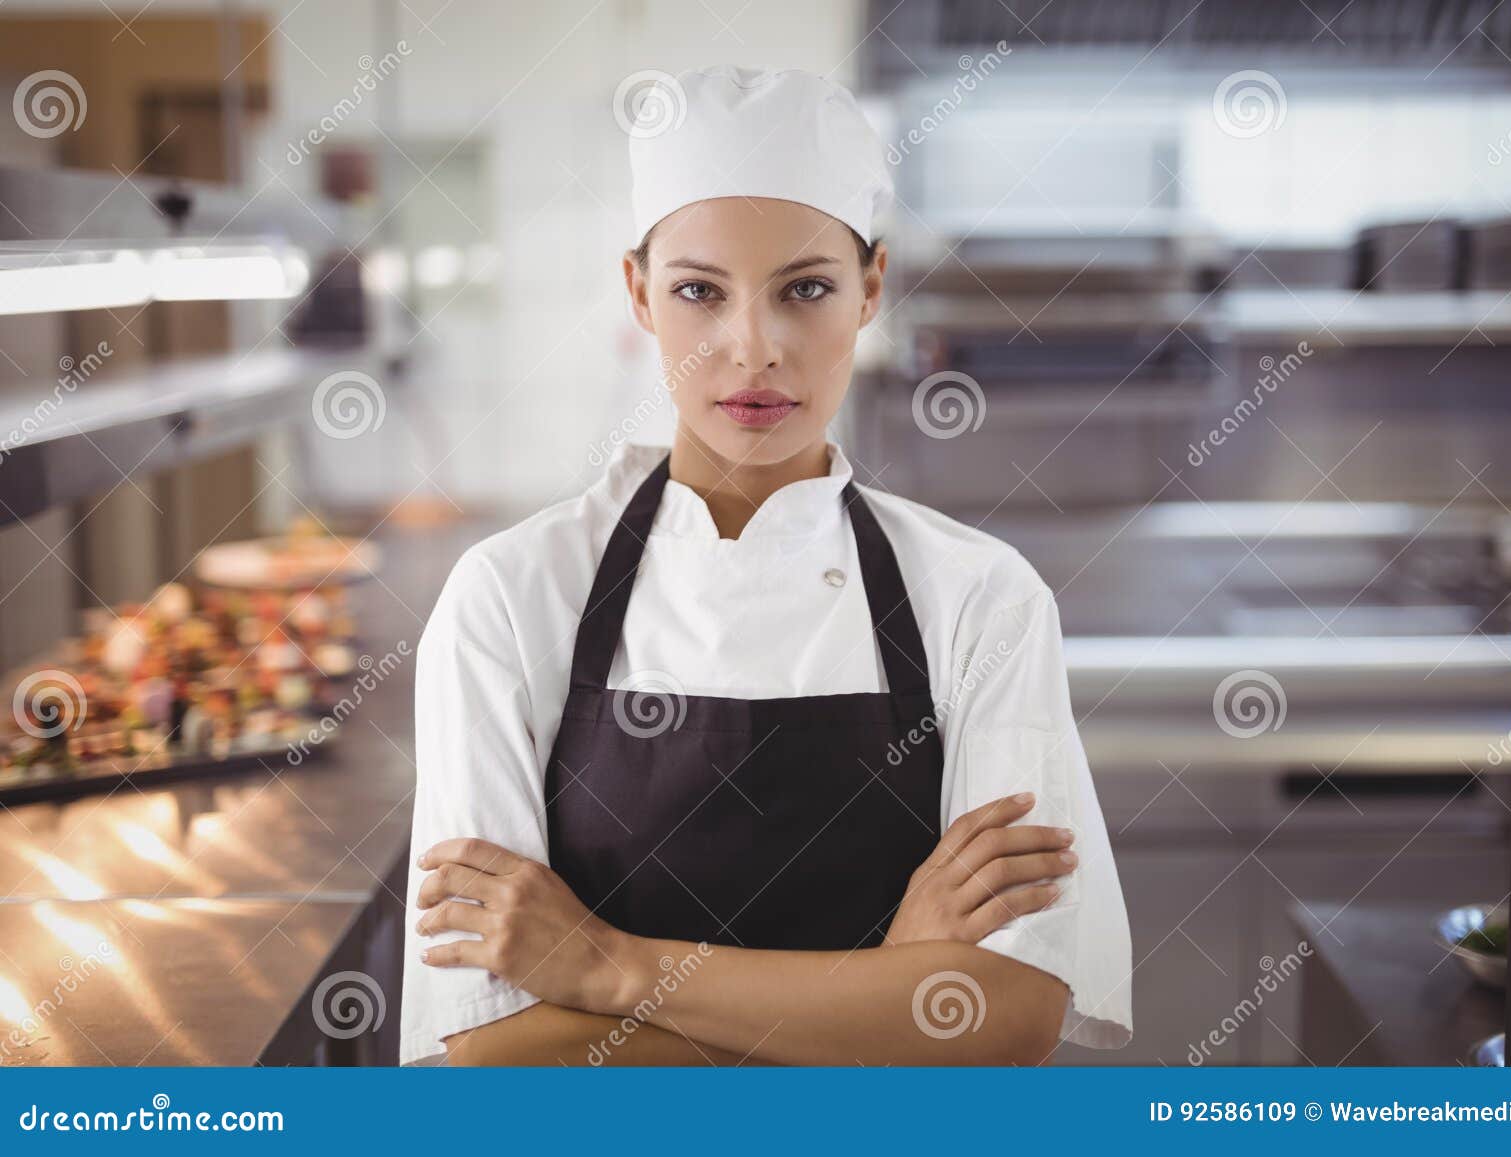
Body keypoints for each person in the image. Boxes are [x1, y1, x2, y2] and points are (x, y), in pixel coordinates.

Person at [399, 64, 1132, 1066]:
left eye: (806, 289)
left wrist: (610, 968)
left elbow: (1003, 1015)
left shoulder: (980, 597)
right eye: (699, 291)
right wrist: (885, 975)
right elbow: (496, 1045)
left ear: (870, 287)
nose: (753, 348)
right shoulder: (510, 597)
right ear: (639, 294)